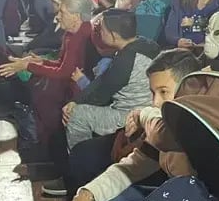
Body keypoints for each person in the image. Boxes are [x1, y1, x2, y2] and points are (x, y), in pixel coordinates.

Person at [59, 48, 202, 201]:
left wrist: (142, 113)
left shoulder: (200, 122)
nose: (156, 102)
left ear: (191, 86)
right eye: (153, 93)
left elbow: (163, 134)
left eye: (163, 92)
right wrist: (87, 194)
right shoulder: (166, 123)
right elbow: (133, 166)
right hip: (175, 198)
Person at [0, 0, 96, 145]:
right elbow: (62, 64)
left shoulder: (79, 37)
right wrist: (38, 61)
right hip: (70, 83)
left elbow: (64, 72)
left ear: (76, 17)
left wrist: (28, 65)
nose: (57, 16)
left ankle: (46, 143)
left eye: (62, 12)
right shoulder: (73, 33)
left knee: (43, 95)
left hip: (78, 90)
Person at [60, 8, 159, 152]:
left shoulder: (126, 59)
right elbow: (104, 82)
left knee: (76, 115)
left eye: (102, 30)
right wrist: (78, 99)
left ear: (114, 35)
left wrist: (74, 103)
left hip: (130, 115)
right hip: (146, 107)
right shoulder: (147, 44)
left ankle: (79, 159)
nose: (100, 32)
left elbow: (100, 94)